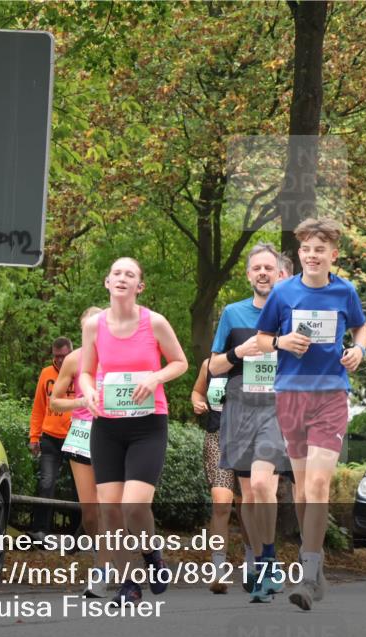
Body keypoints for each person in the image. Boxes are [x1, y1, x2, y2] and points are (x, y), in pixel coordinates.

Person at [255, 218, 366, 611]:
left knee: (319, 486)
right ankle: (314, 564)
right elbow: (262, 338)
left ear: (332, 255)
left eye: (320, 249)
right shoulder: (283, 292)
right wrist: (282, 340)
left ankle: (307, 572)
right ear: (300, 254)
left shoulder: (345, 291)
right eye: (306, 249)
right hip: (290, 396)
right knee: (302, 491)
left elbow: (361, 329)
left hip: (331, 395)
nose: (312, 255)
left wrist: (359, 350)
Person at [78, 257, 188, 607]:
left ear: (139, 286)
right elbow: (85, 371)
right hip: (107, 425)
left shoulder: (153, 322)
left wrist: (155, 377)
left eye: (130, 274)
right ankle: (130, 583)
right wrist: (90, 391)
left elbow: (180, 362)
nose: (122, 278)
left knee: (134, 505)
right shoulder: (94, 325)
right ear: (107, 283)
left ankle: (152, 554)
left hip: (147, 425)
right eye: (116, 273)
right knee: (110, 510)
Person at [209, 242, 289, 602]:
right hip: (240, 409)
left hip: (276, 408)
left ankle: (268, 560)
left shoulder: (292, 312)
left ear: (278, 274)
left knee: (262, 485)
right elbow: (213, 367)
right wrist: (237, 352)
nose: (262, 273)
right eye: (256, 268)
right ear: (248, 275)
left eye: (268, 268)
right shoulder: (233, 313)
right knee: (250, 496)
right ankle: (259, 561)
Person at [49, 306, 104, 596]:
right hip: (83, 434)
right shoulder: (73, 359)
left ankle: (105, 569)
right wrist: (80, 403)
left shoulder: (121, 354)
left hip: (114, 433)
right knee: (91, 514)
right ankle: (103, 557)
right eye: (86, 329)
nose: (92, 333)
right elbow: (55, 402)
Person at [190, 357, 250, 594]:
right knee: (221, 502)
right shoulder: (209, 365)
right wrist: (198, 402)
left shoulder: (253, 362)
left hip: (249, 440)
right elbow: (197, 392)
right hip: (217, 439)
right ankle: (218, 570)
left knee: (247, 505)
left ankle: (253, 561)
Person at [26, 336, 75, 540]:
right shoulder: (46, 373)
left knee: (78, 487)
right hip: (50, 437)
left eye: (64, 356)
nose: (61, 361)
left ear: (71, 353)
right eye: (57, 357)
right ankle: (40, 530)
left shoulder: (81, 371)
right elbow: (38, 407)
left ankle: (77, 532)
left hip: (76, 438)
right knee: (46, 483)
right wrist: (34, 436)